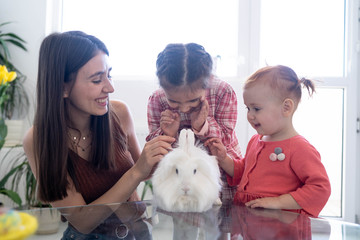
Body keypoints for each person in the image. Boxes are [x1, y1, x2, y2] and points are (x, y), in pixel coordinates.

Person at [22, 31, 175, 209]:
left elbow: (144, 171)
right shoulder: (38, 139)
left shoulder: (119, 113)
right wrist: (136, 172)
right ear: (62, 88)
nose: (110, 88)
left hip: (137, 230)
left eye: (109, 75)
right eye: (97, 80)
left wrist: (166, 139)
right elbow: (81, 221)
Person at [206, 65, 331, 216]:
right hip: (251, 222)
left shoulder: (299, 148)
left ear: (286, 107)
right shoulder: (256, 140)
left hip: (280, 226)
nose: (250, 115)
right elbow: (243, 172)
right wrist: (224, 159)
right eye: (248, 109)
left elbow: (320, 187)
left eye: (256, 109)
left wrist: (278, 202)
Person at [146, 43, 242, 202]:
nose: (184, 109)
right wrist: (168, 134)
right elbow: (156, 150)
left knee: (224, 223)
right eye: (174, 101)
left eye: (193, 100)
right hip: (181, 188)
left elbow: (226, 140)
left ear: (207, 82)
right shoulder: (157, 99)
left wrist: (202, 125)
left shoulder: (223, 92)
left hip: (224, 181)